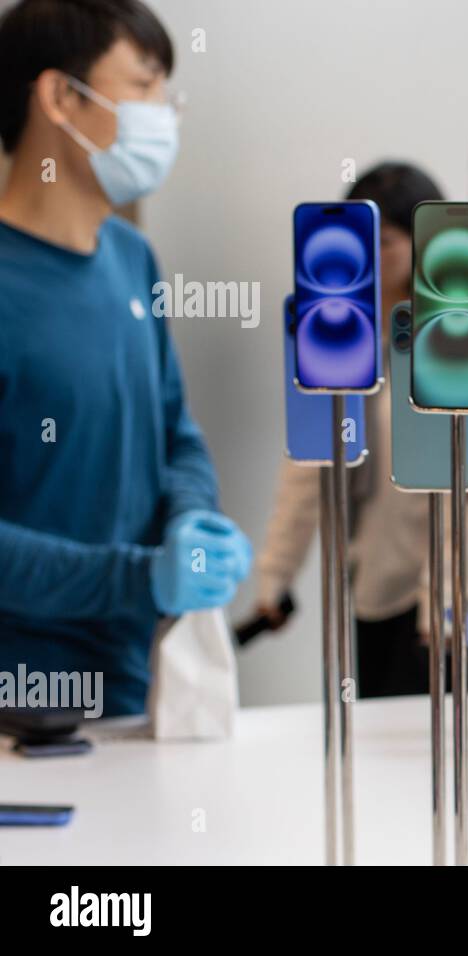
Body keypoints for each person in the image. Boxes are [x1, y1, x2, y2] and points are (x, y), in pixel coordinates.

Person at [0, 0, 251, 718]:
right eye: (142, 87)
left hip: (139, 687)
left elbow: (176, 434)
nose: (163, 115)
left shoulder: (131, 259)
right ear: (58, 96)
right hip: (22, 711)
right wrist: (138, 580)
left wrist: (191, 527)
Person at [253, 161, 468, 697]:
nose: (375, 255)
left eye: (387, 241)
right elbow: (309, 459)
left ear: (423, 242)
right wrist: (275, 575)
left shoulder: (455, 338)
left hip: (434, 600)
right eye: (364, 241)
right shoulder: (334, 334)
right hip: (362, 584)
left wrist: (448, 596)